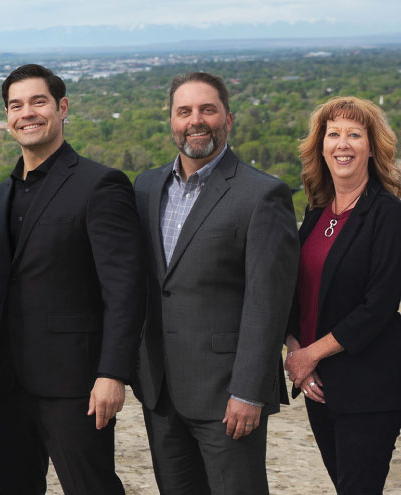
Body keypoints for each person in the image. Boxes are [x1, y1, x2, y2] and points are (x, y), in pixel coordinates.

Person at [0, 64, 147, 494]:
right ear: (7, 117)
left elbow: (124, 289)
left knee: (91, 487)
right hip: (11, 381)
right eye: (16, 105)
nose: (27, 113)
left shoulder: (100, 185)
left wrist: (113, 373)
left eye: (38, 102)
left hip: (77, 382)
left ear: (62, 108)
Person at [131, 71, 298, 495]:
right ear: (171, 120)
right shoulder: (147, 188)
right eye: (184, 111)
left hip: (227, 395)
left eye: (208, 109)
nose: (196, 120)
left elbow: (267, 303)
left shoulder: (262, 195)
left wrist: (249, 391)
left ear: (228, 118)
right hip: (161, 391)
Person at [285, 96, 401, 494]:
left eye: (354, 135)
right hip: (319, 385)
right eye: (334, 134)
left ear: (372, 148)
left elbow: (377, 308)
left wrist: (308, 355)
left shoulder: (389, 216)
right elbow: (296, 292)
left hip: (368, 388)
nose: (342, 144)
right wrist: (293, 347)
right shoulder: (317, 211)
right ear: (321, 146)